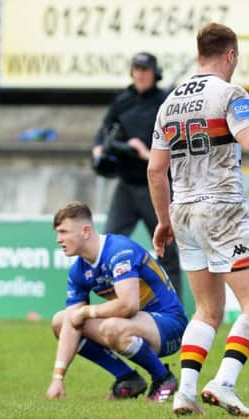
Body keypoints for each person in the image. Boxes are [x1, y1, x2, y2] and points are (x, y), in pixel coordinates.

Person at [147, 22, 249, 417]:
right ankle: (224, 383)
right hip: (220, 208)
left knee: (207, 310)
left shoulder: (168, 103)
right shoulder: (230, 93)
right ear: (231, 55)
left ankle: (185, 393)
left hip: (183, 212)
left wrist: (163, 220)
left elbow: (155, 169)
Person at [46, 201, 187, 402]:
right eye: (58, 233)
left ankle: (163, 378)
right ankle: (128, 378)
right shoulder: (78, 271)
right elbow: (71, 322)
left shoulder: (118, 251)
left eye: (64, 232)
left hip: (169, 324)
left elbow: (129, 306)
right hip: (138, 323)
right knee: (61, 321)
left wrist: (87, 312)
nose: (59, 239)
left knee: (112, 327)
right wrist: (57, 378)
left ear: (85, 231)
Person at [92, 52, 182, 296]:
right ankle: (120, 306)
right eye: (137, 69)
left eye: (146, 69)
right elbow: (103, 131)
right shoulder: (122, 100)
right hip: (126, 185)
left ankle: (174, 315)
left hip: (156, 185)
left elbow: (176, 142)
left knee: (168, 253)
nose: (141, 74)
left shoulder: (165, 101)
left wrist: (145, 153)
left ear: (155, 73)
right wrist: (99, 148)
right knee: (108, 246)